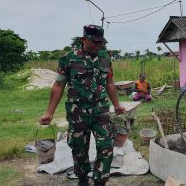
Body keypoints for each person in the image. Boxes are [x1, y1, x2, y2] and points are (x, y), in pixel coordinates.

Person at [39, 24, 125, 186]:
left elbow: (110, 83)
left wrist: (117, 105)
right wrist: (49, 112)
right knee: (79, 149)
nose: (98, 46)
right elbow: (59, 85)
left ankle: (100, 181)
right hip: (77, 113)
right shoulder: (69, 59)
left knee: (106, 146)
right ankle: (83, 178)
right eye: (95, 42)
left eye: (101, 42)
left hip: (101, 111)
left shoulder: (105, 58)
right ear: (83, 39)